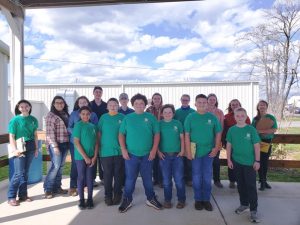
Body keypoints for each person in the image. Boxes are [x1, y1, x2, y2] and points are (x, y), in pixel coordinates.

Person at [118, 93, 162, 213]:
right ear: (133, 104)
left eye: (141, 103)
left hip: (147, 155)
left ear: (145, 104)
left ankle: (150, 198)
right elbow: (121, 134)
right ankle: (127, 199)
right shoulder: (128, 118)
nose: (139, 105)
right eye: (136, 103)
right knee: (130, 179)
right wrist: (123, 149)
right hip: (131, 155)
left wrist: (153, 150)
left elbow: (157, 134)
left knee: (147, 178)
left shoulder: (151, 117)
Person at [185, 94, 222, 211]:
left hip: (209, 152)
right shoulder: (190, 117)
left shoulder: (212, 117)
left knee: (207, 176)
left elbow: (218, 133)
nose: (201, 104)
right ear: (195, 104)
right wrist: (188, 152)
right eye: (199, 102)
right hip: (195, 152)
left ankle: (206, 199)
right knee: (196, 176)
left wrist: (216, 148)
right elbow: (187, 135)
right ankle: (198, 199)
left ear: (207, 104)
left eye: (204, 102)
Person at [226, 107, 261, 223]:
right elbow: (229, 145)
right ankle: (244, 204)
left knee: (250, 186)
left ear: (246, 117)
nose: (240, 117)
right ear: (234, 117)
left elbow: (256, 146)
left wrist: (257, 161)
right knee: (240, 185)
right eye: (238, 116)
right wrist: (229, 160)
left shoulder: (251, 130)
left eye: (242, 116)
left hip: (250, 163)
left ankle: (253, 210)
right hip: (237, 162)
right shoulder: (231, 130)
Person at [7, 100, 38, 206]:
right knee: (18, 173)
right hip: (19, 147)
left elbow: (35, 135)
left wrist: (37, 148)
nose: (24, 108)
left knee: (25, 172)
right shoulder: (15, 120)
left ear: (30, 107)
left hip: (31, 147)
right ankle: (11, 196)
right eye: (22, 106)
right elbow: (11, 136)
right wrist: (15, 149)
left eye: (26, 106)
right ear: (18, 108)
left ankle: (23, 195)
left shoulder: (33, 119)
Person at [68, 96, 98, 196]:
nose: (83, 104)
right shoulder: (73, 114)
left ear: (87, 103)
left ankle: (86, 185)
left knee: (90, 165)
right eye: (81, 102)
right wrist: (77, 132)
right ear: (78, 104)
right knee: (75, 165)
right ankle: (73, 186)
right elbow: (69, 127)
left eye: (85, 102)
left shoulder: (93, 114)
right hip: (76, 143)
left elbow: (95, 128)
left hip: (89, 144)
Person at [158, 104, 186, 209]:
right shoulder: (159, 124)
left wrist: (182, 150)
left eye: (170, 112)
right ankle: (167, 200)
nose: (167, 114)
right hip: (164, 156)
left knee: (179, 179)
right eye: (165, 112)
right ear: (162, 114)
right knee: (166, 180)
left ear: (173, 114)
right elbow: (156, 139)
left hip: (177, 155)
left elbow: (182, 138)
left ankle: (181, 200)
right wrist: (158, 151)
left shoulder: (177, 123)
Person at [98, 98, 124, 206]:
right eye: (110, 105)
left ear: (118, 106)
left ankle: (117, 194)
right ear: (107, 107)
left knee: (118, 175)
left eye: (115, 105)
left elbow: (126, 133)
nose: (113, 107)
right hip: (105, 151)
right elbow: (99, 133)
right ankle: (108, 195)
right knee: (107, 175)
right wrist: (99, 147)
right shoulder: (103, 118)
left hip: (119, 151)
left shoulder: (123, 118)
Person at [44, 96, 69, 199]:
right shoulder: (51, 116)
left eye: (62, 103)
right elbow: (50, 133)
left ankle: (57, 187)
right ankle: (48, 189)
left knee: (61, 166)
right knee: (55, 166)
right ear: (53, 104)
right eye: (57, 103)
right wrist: (55, 146)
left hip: (65, 143)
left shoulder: (65, 114)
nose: (60, 104)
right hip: (56, 144)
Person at [73, 106, 99, 209]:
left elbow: (97, 143)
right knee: (81, 177)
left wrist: (94, 156)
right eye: (83, 114)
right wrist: (85, 157)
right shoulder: (78, 126)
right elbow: (76, 142)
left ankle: (90, 199)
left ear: (90, 115)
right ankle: (81, 200)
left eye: (87, 114)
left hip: (91, 156)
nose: (85, 116)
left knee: (90, 178)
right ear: (80, 115)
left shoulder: (93, 126)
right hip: (80, 157)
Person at [222, 99, 251, 189]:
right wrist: (224, 142)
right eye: (232, 104)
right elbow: (224, 130)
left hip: (243, 143)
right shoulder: (226, 117)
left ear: (239, 105)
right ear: (230, 106)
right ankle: (232, 181)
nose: (234, 106)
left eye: (236, 104)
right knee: (231, 161)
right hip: (230, 143)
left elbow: (249, 129)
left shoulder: (245, 116)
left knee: (242, 161)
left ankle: (241, 180)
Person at [252, 100, 277, 191]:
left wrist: (261, 131)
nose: (262, 107)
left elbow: (274, 129)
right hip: (258, 142)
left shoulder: (271, 117)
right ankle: (262, 181)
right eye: (260, 105)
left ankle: (264, 181)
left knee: (264, 162)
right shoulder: (255, 119)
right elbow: (252, 130)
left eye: (263, 105)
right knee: (258, 161)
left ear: (266, 107)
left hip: (267, 142)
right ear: (258, 107)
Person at [174, 94, 195, 186]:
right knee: (180, 161)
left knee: (190, 160)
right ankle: (181, 179)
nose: (185, 101)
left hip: (191, 139)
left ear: (189, 101)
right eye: (183, 100)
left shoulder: (193, 112)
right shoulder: (176, 112)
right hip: (179, 140)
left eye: (186, 100)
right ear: (180, 100)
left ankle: (189, 179)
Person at [90, 86, 108, 186]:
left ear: (102, 93)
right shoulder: (89, 104)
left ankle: (103, 178)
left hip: (103, 133)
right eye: (96, 92)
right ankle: (92, 179)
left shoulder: (106, 105)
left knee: (102, 156)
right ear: (93, 93)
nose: (98, 93)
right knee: (93, 156)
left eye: (99, 92)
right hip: (91, 133)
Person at [207, 93, 224, 188]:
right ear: (207, 100)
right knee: (205, 160)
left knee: (216, 161)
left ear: (216, 101)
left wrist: (218, 139)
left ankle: (217, 180)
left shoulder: (219, 112)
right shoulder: (203, 111)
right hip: (205, 140)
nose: (212, 101)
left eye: (214, 99)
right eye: (210, 99)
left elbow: (221, 126)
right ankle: (205, 180)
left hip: (216, 140)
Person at [146, 93, 163, 187]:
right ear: (152, 99)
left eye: (158, 98)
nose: (157, 100)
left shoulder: (164, 109)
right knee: (153, 160)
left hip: (162, 136)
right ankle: (155, 179)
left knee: (161, 160)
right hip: (151, 136)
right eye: (155, 98)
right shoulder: (148, 110)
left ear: (161, 99)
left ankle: (161, 180)